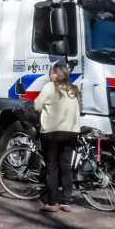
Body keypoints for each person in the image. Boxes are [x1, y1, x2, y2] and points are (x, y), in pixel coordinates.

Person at [33, 60, 81, 213]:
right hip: (71, 132)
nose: (50, 75)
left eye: (51, 73)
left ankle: (52, 202)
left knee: (52, 168)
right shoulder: (74, 89)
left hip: (53, 133)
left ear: (55, 74)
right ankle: (66, 201)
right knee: (66, 167)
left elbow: (37, 106)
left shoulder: (49, 87)